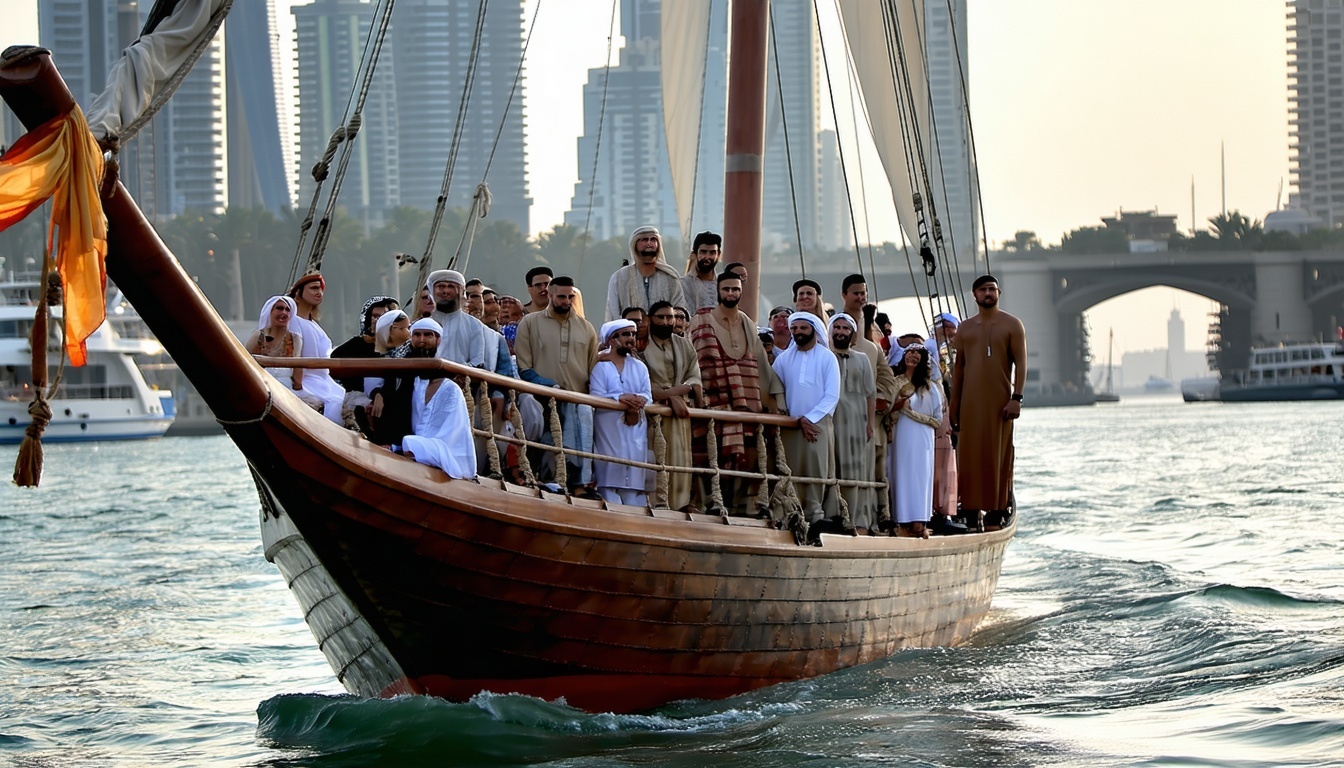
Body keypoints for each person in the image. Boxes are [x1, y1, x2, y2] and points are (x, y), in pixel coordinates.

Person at [687, 272, 783, 514]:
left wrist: (773, 400)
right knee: (710, 454)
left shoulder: (748, 323)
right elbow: (691, 361)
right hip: (711, 404)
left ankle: (742, 506)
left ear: (741, 292)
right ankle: (711, 503)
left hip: (746, 407)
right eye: (726, 289)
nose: (731, 293)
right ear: (718, 291)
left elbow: (762, 365)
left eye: (735, 289)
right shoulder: (701, 321)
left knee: (747, 456)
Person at [950, 275, 1027, 529]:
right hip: (969, 404)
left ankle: (996, 510)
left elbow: (1022, 363)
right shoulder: (965, 328)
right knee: (968, 454)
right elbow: (958, 369)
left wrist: (1017, 397)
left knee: (999, 452)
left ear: (999, 292)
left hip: (1000, 404)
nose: (988, 293)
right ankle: (971, 511)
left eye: (992, 289)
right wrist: (954, 406)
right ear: (974, 294)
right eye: (983, 290)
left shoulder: (1012, 324)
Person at [514, 276, 600, 488]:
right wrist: (551, 386)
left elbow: (592, 371)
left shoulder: (587, 328)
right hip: (541, 401)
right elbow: (524, 368)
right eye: (561, 296)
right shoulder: (530, 322)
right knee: (542, 454)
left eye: (570, 296)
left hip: (577, 404)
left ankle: (577, 487)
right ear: (550, 295)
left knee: (573, 457)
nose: (566, 301)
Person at [838, 275, 899, 525]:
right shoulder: (831, 332)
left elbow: (887, 379)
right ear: (844, 295)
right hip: (840, 417)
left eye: (864, 293)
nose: (861, 298)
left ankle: (879, 514)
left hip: (870, 417)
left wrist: (880, 399)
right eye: (856, 294)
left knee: (876, 467)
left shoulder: (871, 346)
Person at [773, 312, 841, 527]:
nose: (798, 332)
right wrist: (790, 417)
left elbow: (832, 396)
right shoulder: (784, 359)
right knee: (790, 470)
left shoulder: (826, 357)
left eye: (803, 328)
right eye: (794, 329)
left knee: (816, 470)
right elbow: (775, 389)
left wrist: (809, 419)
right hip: (790, 425)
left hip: (817, 424)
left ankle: (815, 516)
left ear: (813, 329)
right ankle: (789, 514)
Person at [397, 318, 477, 480]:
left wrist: (403, 447)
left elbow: (448, 437)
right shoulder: (406, 379)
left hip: (445, 455)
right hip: (408, 450)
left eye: (428, 335)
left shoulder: (450, 389)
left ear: (438, 340)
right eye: (417, 335)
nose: (421, 340)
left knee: (409, 442)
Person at [643, 300, 703, 512]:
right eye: (662, 317)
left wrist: (680, 392)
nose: (668, 321)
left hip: (679, 415)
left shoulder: (684, 345)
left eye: (671, 317)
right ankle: (656, 502)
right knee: (654, 457)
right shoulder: (641, 345)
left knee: (679, 459)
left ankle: (679, 504)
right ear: (650, 319)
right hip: (651, 414)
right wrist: (668, 395)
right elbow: (639, 381)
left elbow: (694, 378)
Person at [589, 319, 653, 506]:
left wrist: (638, 400)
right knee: (608, 480)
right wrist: (620, 398)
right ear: (612, 339)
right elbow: (596, 396)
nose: (631, 339)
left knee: (633, 483)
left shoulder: (639, 367)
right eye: (625, 334)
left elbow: (647, 395)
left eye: (632, 334)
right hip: (609, 429)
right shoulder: (601, 367)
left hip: (635, 431)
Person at [828, 313, 877, 531]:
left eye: (845, 328)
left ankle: (858, 518)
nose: (840, 332)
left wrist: (870, 424)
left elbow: (870, 394)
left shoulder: (863, 359)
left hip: (858, 422)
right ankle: (834, 515)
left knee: (857, 470)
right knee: (834, 467)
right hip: (834, 420)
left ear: (852, 333)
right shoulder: (825, 356)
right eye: (836, 327)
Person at [890, 343, 944, 538]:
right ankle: (901, 521)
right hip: (900, 434)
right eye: (909, 352)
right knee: (901, 474)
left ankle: (919, 522)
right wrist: (898, 408)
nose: (912, 356)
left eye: (916, 353)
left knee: (920, 476)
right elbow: (887, 411)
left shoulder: (930, 388)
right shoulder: (896, 383)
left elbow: (937, 419)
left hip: (923, 438)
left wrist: (911, 413)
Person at [285, 273, 346, 423]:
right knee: (334, 404)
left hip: (325, 381)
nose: (319, 292)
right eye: (313, 288)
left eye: (320, 289)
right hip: (307, 382)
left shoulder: (315, 325)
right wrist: (298, 385)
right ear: (298, 293)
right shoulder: (293, 322)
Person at [246, 295, 317, 408]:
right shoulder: (259, 336)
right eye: (279, 308)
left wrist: (297, 390)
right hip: (261, 388)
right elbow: (246, 361)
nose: (283, 313)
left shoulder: (295, 338)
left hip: (286, 389)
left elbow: (297, 366)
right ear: (270, 311)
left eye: (287, 310)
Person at [605, 225, 686, 322]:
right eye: (644, 240)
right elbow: (612, 313)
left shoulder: (671, 278)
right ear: (634, 245)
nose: (649, 244)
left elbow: (679, 311)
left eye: (653, 240)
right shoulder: (619, 278)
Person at [331, 296, 399, 392]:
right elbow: (334, 360)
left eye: (382, 316)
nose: (377, 320)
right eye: (375, 316)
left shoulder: (401, 345)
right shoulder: (357, 344)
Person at [426, 269, 487, 367]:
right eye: (440, 286)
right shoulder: (423, 324)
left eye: (451, 287)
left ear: (461, 291)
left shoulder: (473, 324)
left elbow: (477, 361)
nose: (445, 291)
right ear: (432, 290)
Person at [680, 231, 722, 313]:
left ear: (719, 255)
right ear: (694, 254)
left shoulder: (723, 285)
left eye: (712, 253)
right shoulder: (683, 284)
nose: (707, 257)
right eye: (703, 252)